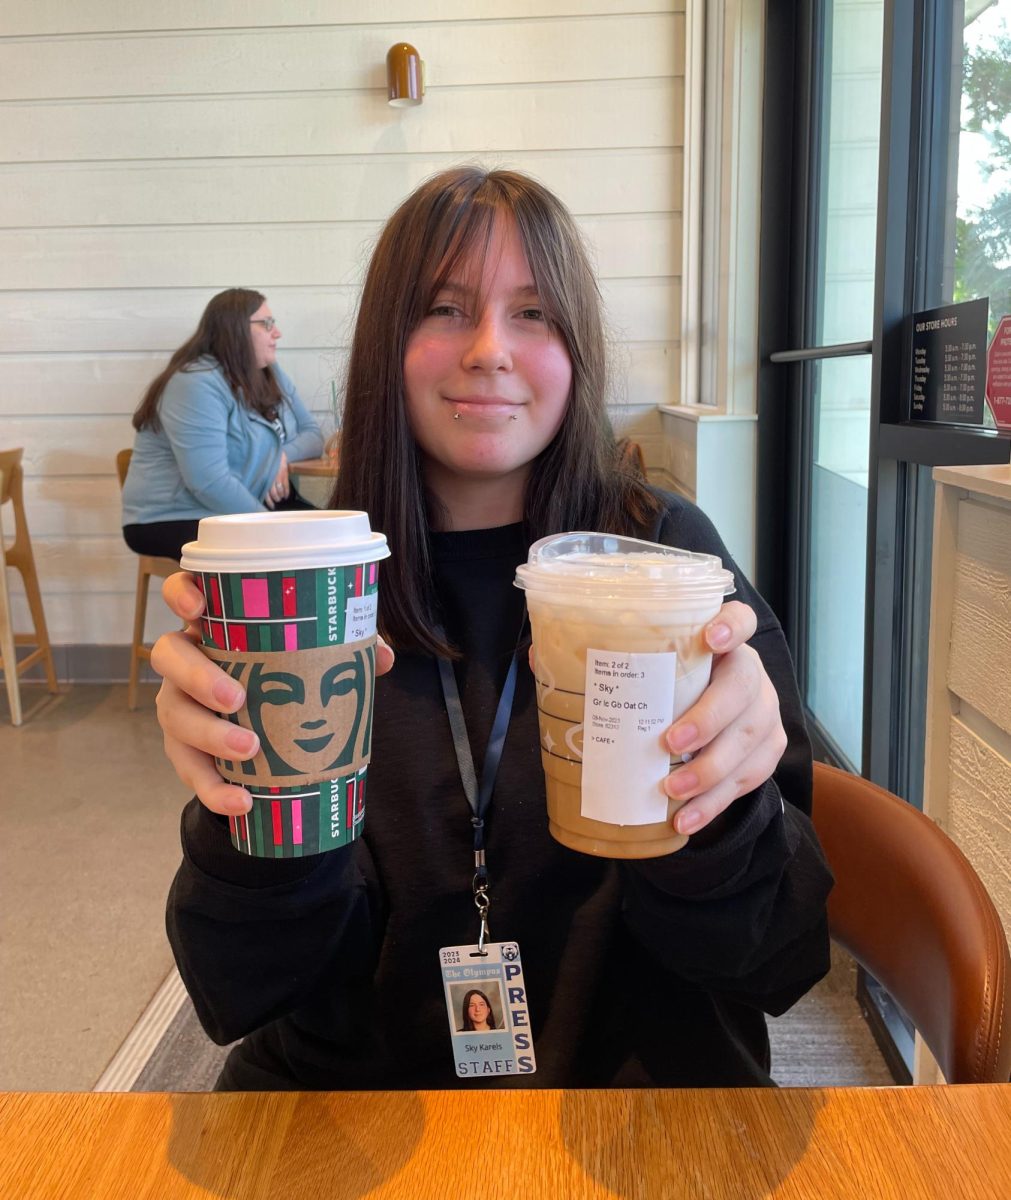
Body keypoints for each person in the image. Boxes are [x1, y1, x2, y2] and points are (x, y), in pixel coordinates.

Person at [153, 167, 833, 1091]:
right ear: (387, 339)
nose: (487, 350)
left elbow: (777, 959)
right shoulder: (312, 589)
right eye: (442, 307)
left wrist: (723, 807)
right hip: (367, 1108)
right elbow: (245, 988)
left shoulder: (664, 562)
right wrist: (247, 810)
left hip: (634, 1107)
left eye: (533, 313)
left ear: (575, 346)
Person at [121, 288, 324, 561]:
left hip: (238, 509)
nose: (277, 333)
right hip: (178, 517)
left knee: (334, 538)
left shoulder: (269, 373)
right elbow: (209, 482)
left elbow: (314, 436)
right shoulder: (196, 383)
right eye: (266, 324)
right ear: (235, 329)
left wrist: (281, 456)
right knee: (293, 553)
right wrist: (270, 528)